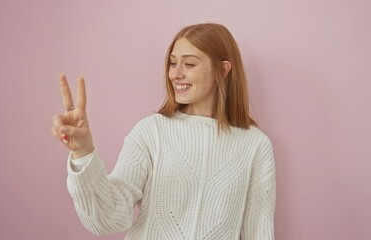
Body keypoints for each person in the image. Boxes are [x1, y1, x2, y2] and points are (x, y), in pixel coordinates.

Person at [51, 23, 276, 240]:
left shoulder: (255, 145)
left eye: (189, 64)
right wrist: (83, 153)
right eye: (172, 63)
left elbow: (259, 233)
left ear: (223, 69)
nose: (175, 74)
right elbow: (109, 217)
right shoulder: (151, 132)